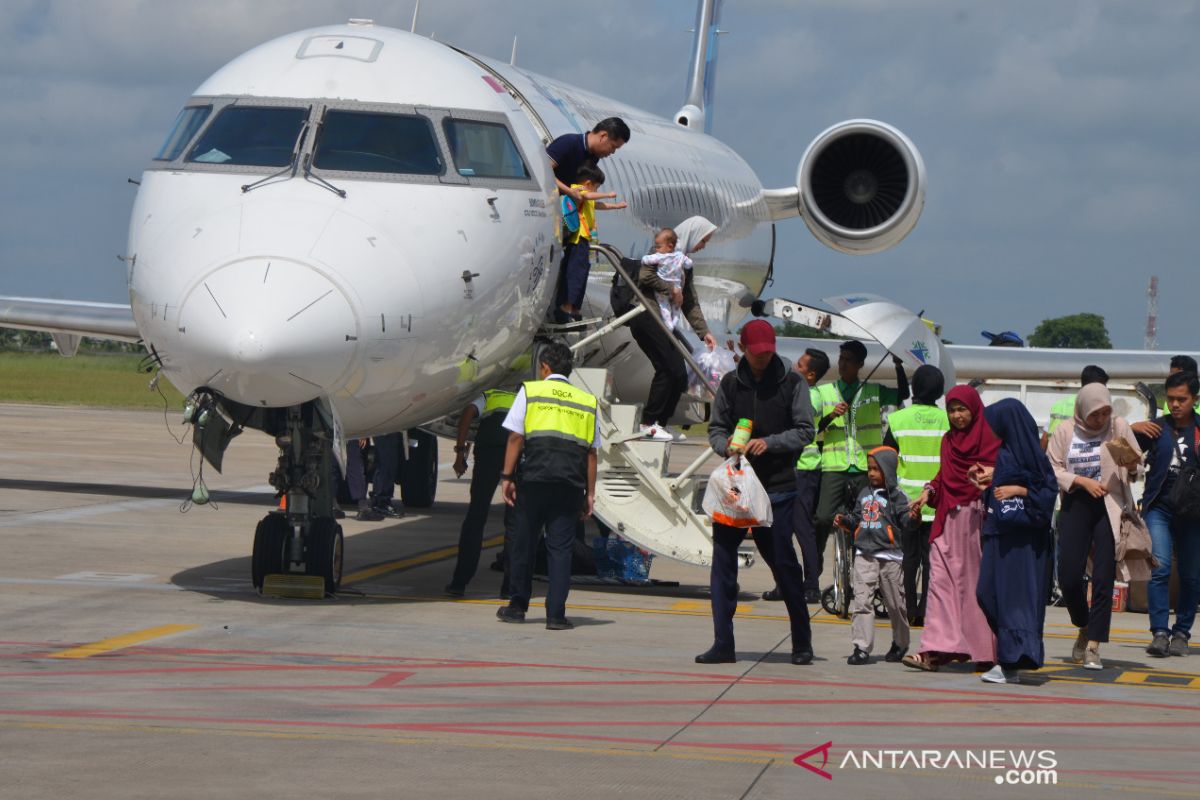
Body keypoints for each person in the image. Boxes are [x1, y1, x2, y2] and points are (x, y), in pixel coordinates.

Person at [698, 320, 815, 665]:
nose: (763, 359)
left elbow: (805, 430)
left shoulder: (792, 383)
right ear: (744, 350)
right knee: (722, 567)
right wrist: (726, 447)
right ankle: (723, 643)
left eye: (768, 353)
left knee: (784, 566)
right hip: (734, 491)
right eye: (756, 353)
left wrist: (771, 443)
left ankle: (802, 642)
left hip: (777, 489)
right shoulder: (731, 384)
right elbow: (716, 427)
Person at [497, 343, 599, 630]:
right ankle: (556, 615)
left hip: (534, 480)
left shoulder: (530, 392)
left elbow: (516, 438)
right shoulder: (586, 401)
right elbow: (592, 453)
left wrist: (507, 478)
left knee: (524, 544)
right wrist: (590, 494)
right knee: (560, 550)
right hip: (569, 485)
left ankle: (517, 606)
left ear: (544, 367)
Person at [1047, 384, 1147, 670]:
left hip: (1109, 506)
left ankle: (1094, 645)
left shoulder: (1118, 427)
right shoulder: (1065, 431)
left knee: (1103, 576)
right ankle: (1083, 623)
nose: (1100, 419)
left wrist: (1130, 463)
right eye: (1095, 414)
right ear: (1082, 410)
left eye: (1105, 412)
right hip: (1076, 504)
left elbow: (1137, 468)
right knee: (1068, 575)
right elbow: (1052, 468)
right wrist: (1080, 481)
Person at [903, 385, 998, 671]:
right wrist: (929, 492)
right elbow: (944, 476)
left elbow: (1001, 477)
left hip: (975, 522)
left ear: (974, 409)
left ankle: (984, 652)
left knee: (973, 588)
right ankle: (934, 649)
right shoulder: (948, 441)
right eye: (952, 410)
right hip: (946, 521)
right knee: (940, 586)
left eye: (962, 409)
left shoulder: (991, 440)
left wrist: (988, 478)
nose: (957, 416)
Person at [813, 340, 909, 589]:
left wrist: (898, 366)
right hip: (835, 466)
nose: (842, 363)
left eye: (848, 360)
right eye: (841, 358)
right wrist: (830, 415)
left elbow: (903, 395)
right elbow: (812, 428)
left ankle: (864, 575)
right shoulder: (825, 392)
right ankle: (813, 571)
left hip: (866, 468)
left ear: (860, 365)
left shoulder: (873, 390)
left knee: (868, 522)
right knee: (823, 517)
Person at [974, 399, 1058, 684]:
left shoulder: (1031, 456)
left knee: (1014, 601)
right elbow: (1000, 495)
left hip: (1022, 543)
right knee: (987, 594)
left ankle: (1010, 662)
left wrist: (1018, 489)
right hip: (1000, 535)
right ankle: (1014, 655)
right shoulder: (1006, 452)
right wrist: (988, 486)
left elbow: (1047, 492)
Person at [629, 216, 719, 442]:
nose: (703, 246)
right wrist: (671, 289)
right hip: (648, 316)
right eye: (703, 240)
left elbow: (689, 300)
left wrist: (704, 332)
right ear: (693, 236)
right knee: (667, 368)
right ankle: (648, 423)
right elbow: (645, 276)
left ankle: (661, 422)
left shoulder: (683, 263)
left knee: (680, 375)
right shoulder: (660, 253)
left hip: (665, 321)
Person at [1135, 370, 1200, 658]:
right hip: (1159, 508)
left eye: (1181, 399)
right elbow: (1122, 454)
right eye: (1171, 399)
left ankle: (1182, 633)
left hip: (1193, 512)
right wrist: (1132, 429)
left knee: (1191, 576)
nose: (1175, 404)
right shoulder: (1155, 429)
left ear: (1194, 399)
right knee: (1159, 570)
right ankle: (1159, 632)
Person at [834, 446, 913, 665]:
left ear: (888, 470)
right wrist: (845, 522)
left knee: (896, 604)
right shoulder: (864, 493)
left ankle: (900, 642)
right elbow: (858, 520)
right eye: (869, 469)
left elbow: (906, 522)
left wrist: (913, 517)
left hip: (890, 556)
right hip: (864, 554)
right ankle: (861, 647)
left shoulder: (897, 496)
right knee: (862, 601)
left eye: (876, 469)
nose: (871, 473)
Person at [763, 348, 830, 604]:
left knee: (802, 529)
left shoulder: (808, 398)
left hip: (803, 468)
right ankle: (785, 582)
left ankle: (811, 584)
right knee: (780, 530)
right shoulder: (802, 392)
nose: (794, 368)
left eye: (800, 365)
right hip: (791, 467)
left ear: (810, 375)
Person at [883, 364, 948, 626]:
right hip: (937, 500)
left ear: (914, 388)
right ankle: (925, 607)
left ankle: (909, 607)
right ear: (940, 390)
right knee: (931, 560)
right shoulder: (948, 420)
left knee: (908, 559)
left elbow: (887, 456)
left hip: (907, 502)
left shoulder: (899, 419)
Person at [445, 389, 518, 597]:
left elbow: (468, 412)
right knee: (514, 523)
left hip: (488, 448)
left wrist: (460, 452)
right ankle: (510, 588)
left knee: (476, 517)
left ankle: (459, 583)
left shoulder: (491, 393)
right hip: (517, 449)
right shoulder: (528, 391)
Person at [554, 162, 627, 323]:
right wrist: (607, 194)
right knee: (574, 273)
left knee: (582, 273)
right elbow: (587, 196)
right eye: (597, 187)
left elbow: (597, 204)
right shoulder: (577, 190)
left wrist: (615, 206)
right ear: (588, 184)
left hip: (586, 239)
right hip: (577, 238)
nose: (597, 191)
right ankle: (565, 307)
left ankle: (575, 308)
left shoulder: (590, 196)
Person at [545, 117, 630, 202]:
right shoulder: (568, 143)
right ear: (603, 136)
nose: (613, 152)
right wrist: (569, 191)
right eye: (613, 146)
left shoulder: (594, 156)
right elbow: (542, 170)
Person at [1041, 365, 1109, 448]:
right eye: (1103, 388)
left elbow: (1045, 439)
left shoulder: (1059, 405)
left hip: (1054, 457)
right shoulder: (1097, 411)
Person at [640, 228, 691, 332]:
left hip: (662, 288)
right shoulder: (679, 256)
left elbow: (646, 260)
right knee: (676, 307)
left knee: (664, 306)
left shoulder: (660, 257)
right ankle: (675, 321)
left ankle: (669, 325)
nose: (657, 249)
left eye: (658, 246)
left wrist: (644, 259)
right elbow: (689, 263)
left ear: (669, 246)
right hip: (677, 287)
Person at [369, 433, 404, 518]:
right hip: (386, 432)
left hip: (387, 431)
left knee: (385, 464)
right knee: (387, 464)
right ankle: (382, 501)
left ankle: (379, 500)